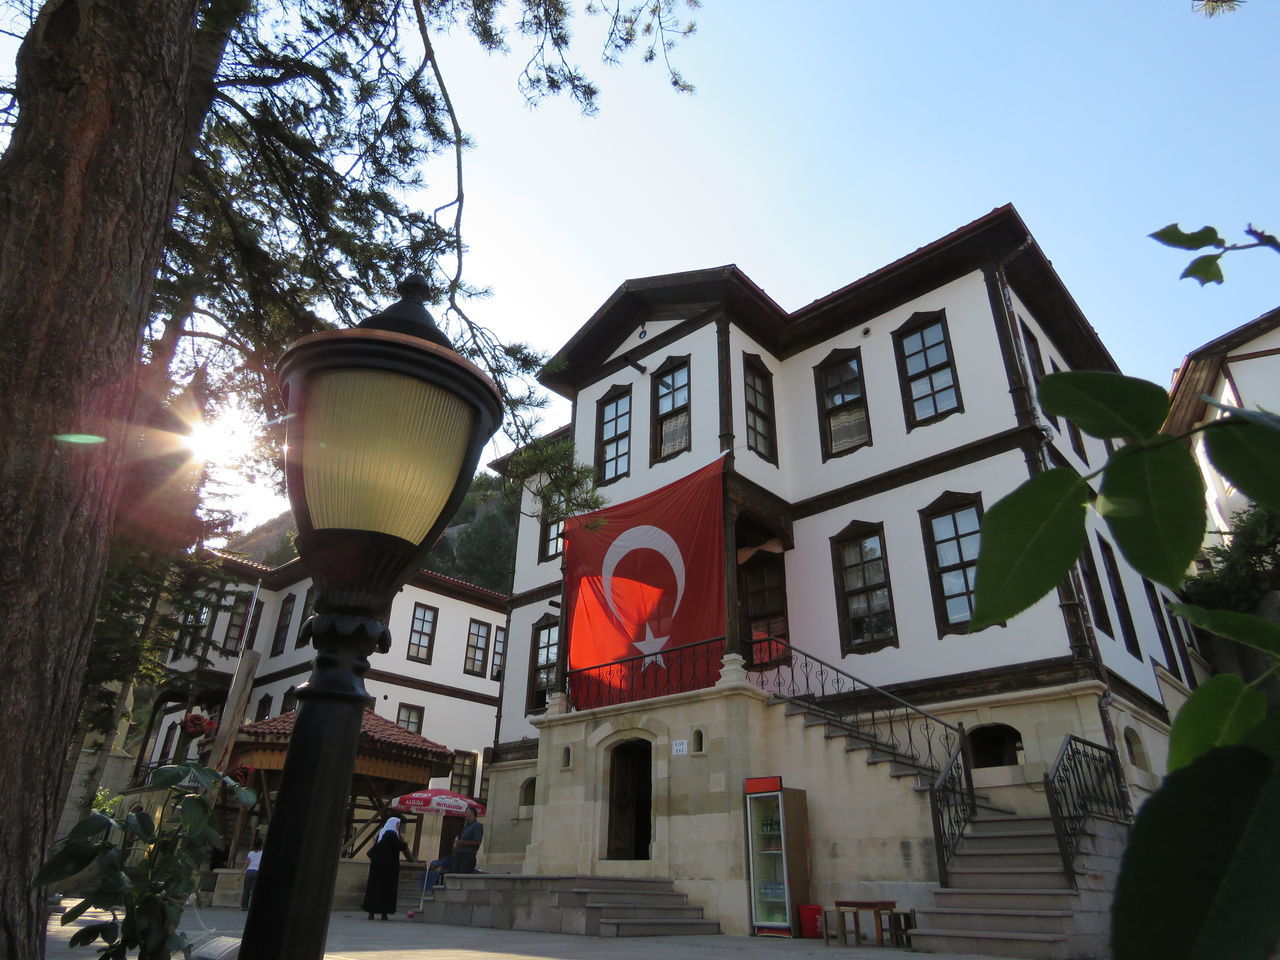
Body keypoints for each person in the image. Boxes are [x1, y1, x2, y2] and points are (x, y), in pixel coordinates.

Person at [361, 817, 415, 920]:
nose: (399, 826)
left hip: (377, 868)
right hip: (388, 869)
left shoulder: (382, 834)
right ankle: (384, 912)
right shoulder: (391, 834)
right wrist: (405, 843)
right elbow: (400, 846)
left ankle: (371, 912)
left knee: (374, 890)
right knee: (386, 891)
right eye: (398, 824)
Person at [451, 806, 483, 874]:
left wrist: (462, 843)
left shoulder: (477, 826)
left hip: (467, 856)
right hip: (458, 855)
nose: (465, 815)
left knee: (463, 875)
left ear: (472, 813)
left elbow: (477, 842)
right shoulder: (466, 827)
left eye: (466, 812)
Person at [241, 838, 262, 911]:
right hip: (257, 871)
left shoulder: (250, 853)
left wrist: (241, 873)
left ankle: (244, 906)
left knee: (246, 890)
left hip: (249, 871)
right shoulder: (262, 853)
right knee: (254, 890)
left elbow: (247, 863)